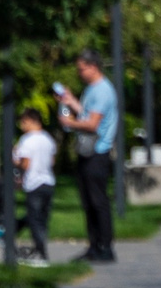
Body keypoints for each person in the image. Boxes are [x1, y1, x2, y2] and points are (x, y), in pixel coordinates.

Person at [58, 50, 121, 262]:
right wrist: (70, 101)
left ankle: (105, 246)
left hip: (98, 152)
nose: (79, 73)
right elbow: (87, 113)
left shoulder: (102, 91)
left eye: (81, 69)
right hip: (87, 152)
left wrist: (69, 123)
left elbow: (92, 124)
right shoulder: (92, 90)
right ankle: (94, 245)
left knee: (98, 201)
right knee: (88, 201)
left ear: (93, 67)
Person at [11, 108, 57, 262]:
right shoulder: (48, 139)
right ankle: (39, 248)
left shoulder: (27, 140)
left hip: (34, 183)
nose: (22, 126)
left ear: (31, 121)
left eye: (23, 122)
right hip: (48, 182)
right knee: (42, 219)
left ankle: (41, 254)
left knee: (34, 220)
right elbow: (52, 161)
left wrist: (15, 162)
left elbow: (25, 164)